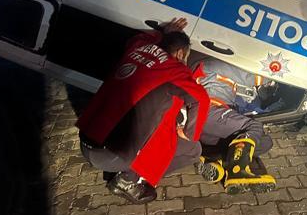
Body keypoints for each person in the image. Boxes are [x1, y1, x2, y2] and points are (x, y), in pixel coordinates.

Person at [76, 18, 210, 204]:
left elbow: (138, 38)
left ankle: (126, 169)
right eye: (185, 57)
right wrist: (190, 133)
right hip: (110, 154)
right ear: (180, 53)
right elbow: (200, 99)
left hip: (85, 140)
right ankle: (127, 180)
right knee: (191, 148)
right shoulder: (175, 69)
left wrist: (163, 31)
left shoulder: (137, 48)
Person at [191, 57, 277, 193]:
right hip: (209, 111)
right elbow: (253, 77)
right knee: (254, 127)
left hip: (203, 128)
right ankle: (237, 171)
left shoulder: (201, 64)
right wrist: (280, 77)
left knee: (266, 141)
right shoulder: (217, 62)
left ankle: (215, 160)